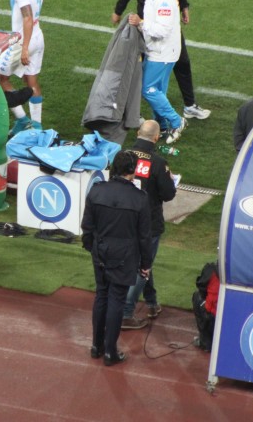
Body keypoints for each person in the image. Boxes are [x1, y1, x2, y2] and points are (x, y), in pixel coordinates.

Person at [112, 0, 211, 121]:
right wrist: (118, 11)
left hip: (162, 28)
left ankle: (184, 110)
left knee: (174, 68)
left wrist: (184, 7)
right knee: (138, 70)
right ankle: (138, 115)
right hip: (146, 27)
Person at [81, 151, 153, 367]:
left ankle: (97, 346)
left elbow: (87, 226)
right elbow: (144, 237)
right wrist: (146, 264)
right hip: (125, 256)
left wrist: (92, 248)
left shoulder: (97, 190)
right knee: (116, 300)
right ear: (133, 170)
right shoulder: (139, 198)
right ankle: (110, 351)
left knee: (101, 295)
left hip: (100, 252)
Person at [122, 120, 177, 330]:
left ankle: (152, 303)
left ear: (138, 133)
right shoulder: (158, 163)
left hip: (125, 219)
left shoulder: (123, 156)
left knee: (145, 262)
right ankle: (126, 312)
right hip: (149, 224)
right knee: (144, 265)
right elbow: (168, 194)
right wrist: (170, 180)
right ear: (156, 137)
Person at [127, 0, 186, 145]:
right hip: (157, 50)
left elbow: (162, 30)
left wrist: (141, 23)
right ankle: (161, 125)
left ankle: (176, 121)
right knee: (158, 91)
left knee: (148, 89)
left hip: (163, 52)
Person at [0, 0, 45, 136]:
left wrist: (24, 47)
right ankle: (37, 127)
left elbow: (27, 17)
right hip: (38, 36)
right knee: (31, 81)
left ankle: (23, 120)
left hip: (22, 41)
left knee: (0, 79)